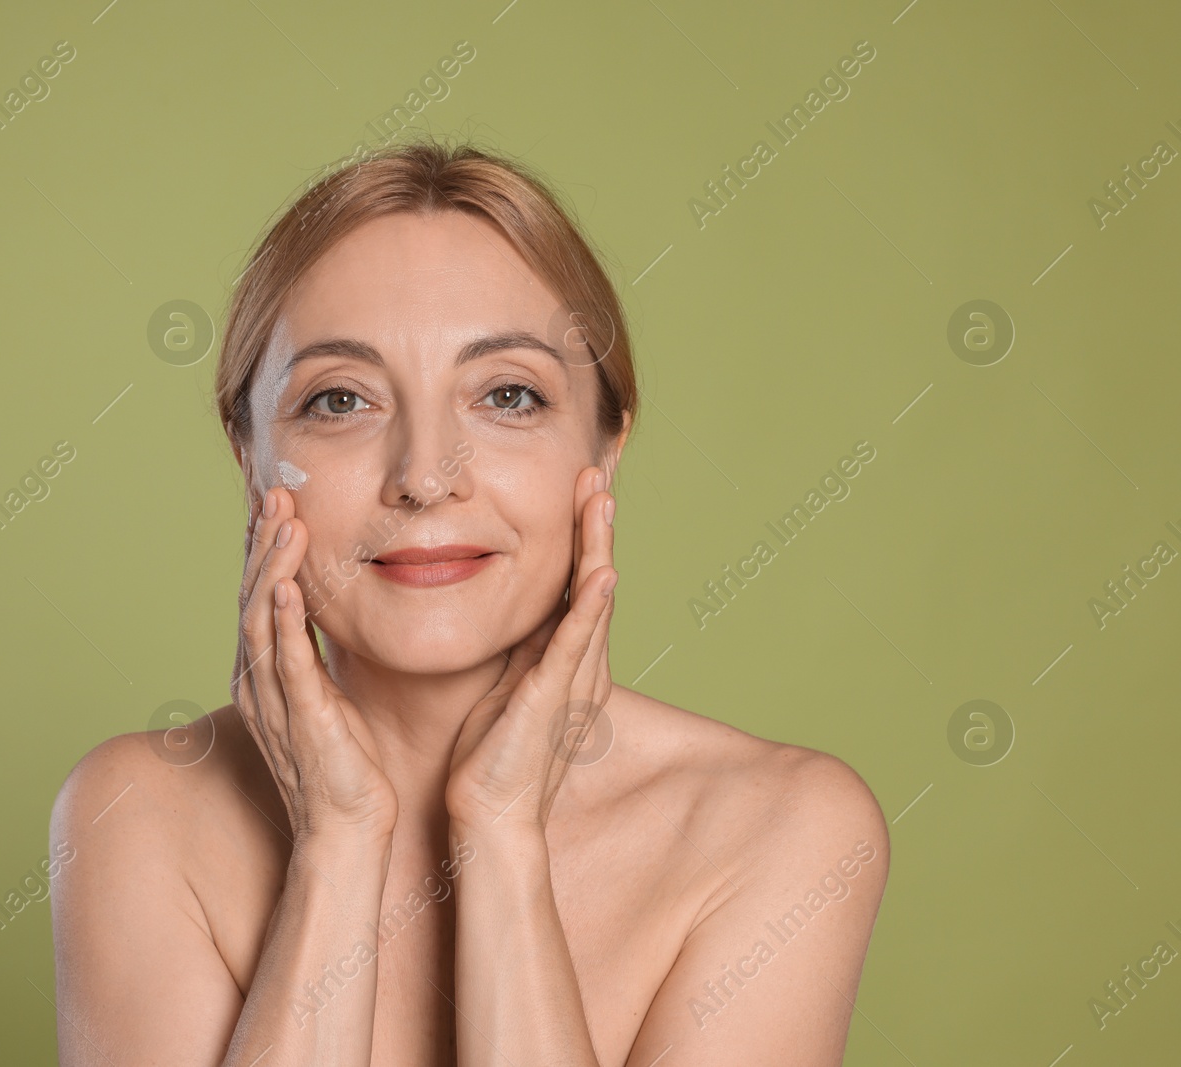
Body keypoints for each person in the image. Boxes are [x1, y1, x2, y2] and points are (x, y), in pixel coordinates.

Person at [49, 138, 889, 1066]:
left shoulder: (779, 831)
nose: (423, 477)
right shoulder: (136, 816)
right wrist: (336, 845)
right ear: (250, 458)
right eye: (339, 401)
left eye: (508, 394)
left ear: (604, 451)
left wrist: (500, 833)